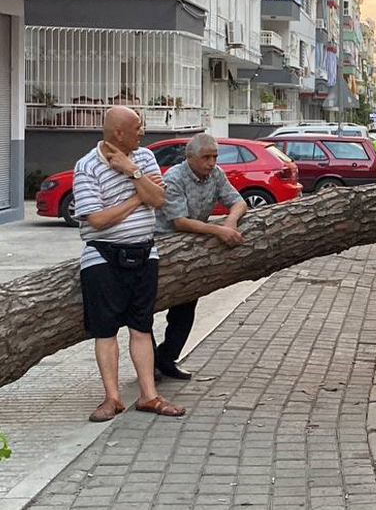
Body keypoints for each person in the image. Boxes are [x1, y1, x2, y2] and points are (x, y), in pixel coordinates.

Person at [73, 106, 184, 421]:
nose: (143, 131)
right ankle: (112, 398)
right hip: (102, 257)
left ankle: (149, 396)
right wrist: (138, 197)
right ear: (119, 133)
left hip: (144, 253)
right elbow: (97, 219)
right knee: (105, 330)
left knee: (141, 326)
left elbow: (160, 199)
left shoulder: (146, 158)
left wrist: (131, 171)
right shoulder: (87, 166)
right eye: (137, 127)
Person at [153, 134, 248, 380]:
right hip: (164, 249)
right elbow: (179, 221)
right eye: (206, 157)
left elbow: (238, 202)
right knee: (147, 309)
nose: (211, 163)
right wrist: (219, 230)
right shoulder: (173, 178)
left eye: (215, 157)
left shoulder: (216, 174)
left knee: (185, 309)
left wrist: (230, 220)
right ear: (190, 157)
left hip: (192, 252)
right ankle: (149, 363)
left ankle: (166, 359)